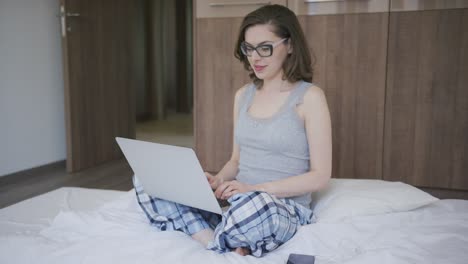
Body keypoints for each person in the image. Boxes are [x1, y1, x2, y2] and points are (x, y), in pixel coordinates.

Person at [133, 4, 332, 257]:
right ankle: (218, 240)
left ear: (290, 45)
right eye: (248, 49)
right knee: (146, 179)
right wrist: (218, 181)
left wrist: (255, 190)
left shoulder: (310, 97)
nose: (255, 57)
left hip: (276, 208)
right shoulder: (243, 96)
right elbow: (236, 160)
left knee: (256, 210)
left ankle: (211, 235)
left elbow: (320, 176)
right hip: (236, 204)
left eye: (265, 48)